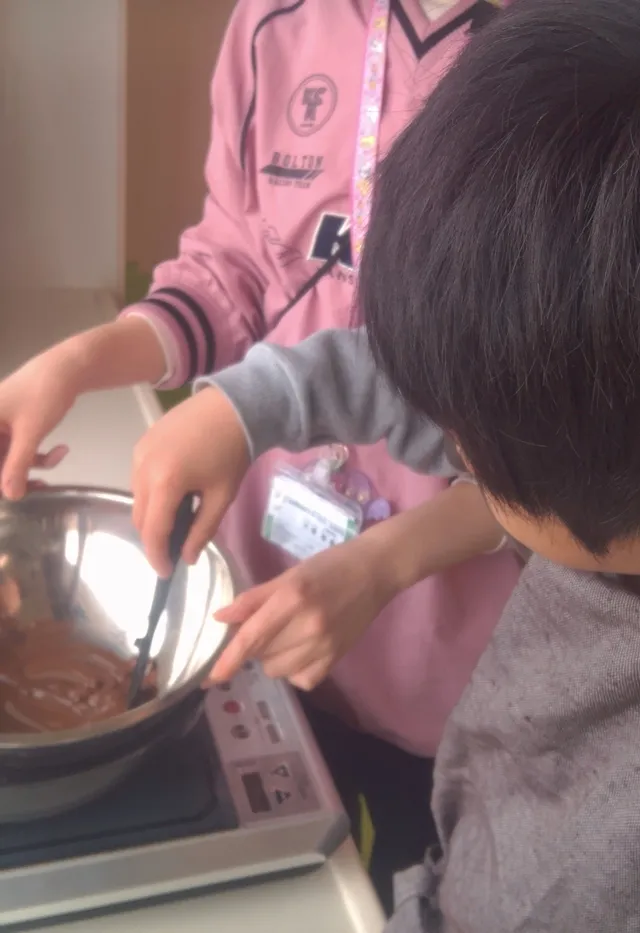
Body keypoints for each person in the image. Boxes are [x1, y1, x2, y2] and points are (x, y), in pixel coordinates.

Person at [128, 0, 640, 928]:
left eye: (476, 445)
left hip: (435, 686)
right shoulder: (616, 505)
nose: (448, 446)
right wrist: (246, 402)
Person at [0, 0, 521, 909]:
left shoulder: (591, 53)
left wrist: (384, 562)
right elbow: (234, 267)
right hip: (266, 601)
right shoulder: (274, 21)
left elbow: (574, 444)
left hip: (466, 668)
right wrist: (80, 360)